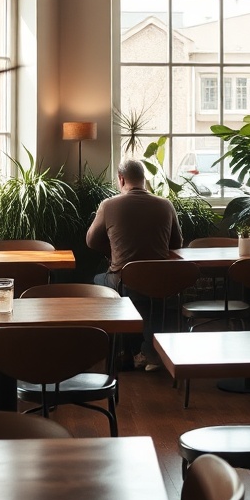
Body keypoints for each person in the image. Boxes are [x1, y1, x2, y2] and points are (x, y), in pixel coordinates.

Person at [86, 158, 183, 371]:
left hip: (125, 280)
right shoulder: (165, 205)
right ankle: (151, 352)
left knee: (96, 280)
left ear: (121, 179)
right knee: (151, 300)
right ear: (144, 179)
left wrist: (112, 253)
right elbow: (177, 243)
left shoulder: (109, 205)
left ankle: (118, 351)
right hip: (162, 280)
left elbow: (91, 241)